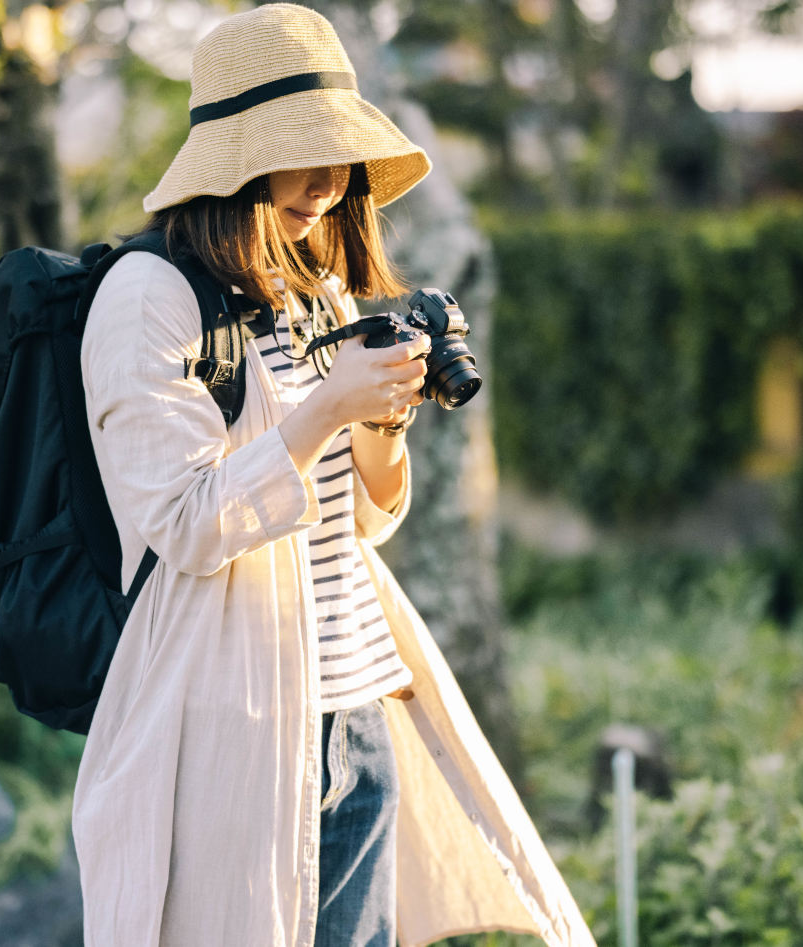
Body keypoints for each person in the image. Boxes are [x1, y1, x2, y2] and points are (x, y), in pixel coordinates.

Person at [73, 5, 595, 946]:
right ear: (234, 157)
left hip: (356, 705)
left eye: (341, 155)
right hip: (230, 717)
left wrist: (383, 420)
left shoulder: (319, 287)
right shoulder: (145, 297)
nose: (330, 181)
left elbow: (359, 523)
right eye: (302, 151)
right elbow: (185, 524)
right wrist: (323, 409)